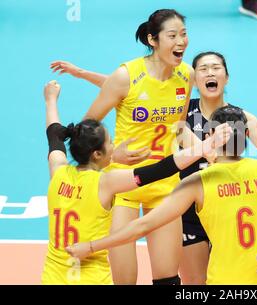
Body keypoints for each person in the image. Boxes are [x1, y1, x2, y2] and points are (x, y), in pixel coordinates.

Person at [66, 105, 257, 285]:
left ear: (212, 138)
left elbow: (141, 228)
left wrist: (91, 246)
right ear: (247, 138)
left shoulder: (196, 184)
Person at [51, 51, 257, 284]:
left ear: (227, 77)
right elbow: (130, 87)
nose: (210, 72)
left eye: (216, 68)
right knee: (194, 282)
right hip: (185, 207)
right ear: (194, 80)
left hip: (225, 209)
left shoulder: (239, 118)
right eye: (203, 69)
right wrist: (82, 74)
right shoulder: (179, 111)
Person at [51, 9, 203, 285]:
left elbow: (179, 127)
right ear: (153, 40)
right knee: (124, 280)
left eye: (184, 34)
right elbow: (86, 129)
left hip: (165, 183)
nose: (181, 41)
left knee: (168, 278)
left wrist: (204, 149)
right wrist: (112, 157)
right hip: (124, 186)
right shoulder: (126, 75)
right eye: (173, 35)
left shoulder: (186, 75)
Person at [41, 80, 232, 284]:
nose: (114, 145)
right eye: (110, 143)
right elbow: (161, 169)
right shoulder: (106, 182)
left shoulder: (58, 170)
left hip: (54, 277)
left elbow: (54, 134)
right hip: (91, 278)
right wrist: (206, 146)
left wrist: (50, 100)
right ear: (97, 154)